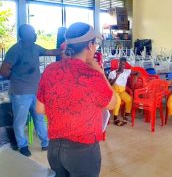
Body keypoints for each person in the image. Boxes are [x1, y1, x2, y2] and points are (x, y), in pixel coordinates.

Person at [36, 22, 117, 177]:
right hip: (83, 151)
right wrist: (98, 69)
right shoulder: (92, 75)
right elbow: (112, 103)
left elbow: (40, 109)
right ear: (89, 45)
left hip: (54, 148)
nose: (95, 48)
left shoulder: (50, 70)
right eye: (95, 44)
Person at [0, 24, 61, 157]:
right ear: (25, 35)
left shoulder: (35, 47)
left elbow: (49, 51)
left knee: (39, 118)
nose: (35, 34)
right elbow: (3, 70)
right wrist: (17, 76)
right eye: (33, 32)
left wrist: (64, 50)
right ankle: (22, 145)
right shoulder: (15, 50)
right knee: (20, 121)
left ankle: (46, 143)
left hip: (35, 91)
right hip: (20, 93)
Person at [108, 57, 138, 126]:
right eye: (121, 64)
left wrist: (136, 77)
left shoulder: (127, 71)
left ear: (125, 65)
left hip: (122, 91)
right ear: (118, 64)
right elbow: (110, 84)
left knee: (129, 100)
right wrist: (116, 77)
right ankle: (115, 118)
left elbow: (137, 73)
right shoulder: (112, 73)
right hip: (114, 91)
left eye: (123, 64)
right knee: (118, 101)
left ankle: (126, 116)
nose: (122, 66)